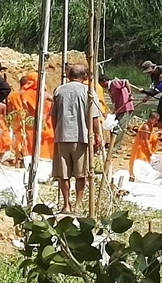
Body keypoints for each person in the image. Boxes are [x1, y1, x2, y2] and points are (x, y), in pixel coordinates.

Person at [51, 65, 101, 214]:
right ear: (84, 77)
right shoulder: (89, 92)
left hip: (62, 136)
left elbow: (53, 116)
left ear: (69, 76)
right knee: (81, 174)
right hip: (82, 137)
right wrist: (98, 135)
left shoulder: (59, 91)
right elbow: (94, 117)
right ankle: (77, 206)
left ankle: (66, 205)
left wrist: (57, 131)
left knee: (63, 174)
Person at [21, 71, 55, 159]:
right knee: (43, 143)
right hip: (44, 121)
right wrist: (48, 114)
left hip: (31, 122)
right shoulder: (45, 94)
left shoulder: (26, 94)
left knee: (32, 144)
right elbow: (55, 101)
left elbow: (24, 104)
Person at [99, 75, 135, 149]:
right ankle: (113, 144)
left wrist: (129, 94)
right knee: (114, 126)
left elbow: (126, 81)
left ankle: (115, 146)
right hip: (119, 109)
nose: (101, 86)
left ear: (104, 81)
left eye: (100, 83)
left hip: (125, 108)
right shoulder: (110, 88)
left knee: (121, 127)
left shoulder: (114, 83)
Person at [128, 111, 160, 181]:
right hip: (141, 149)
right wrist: (149, 152)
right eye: (155, 120)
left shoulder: (150, 126)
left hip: (146, 149)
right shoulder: (146, 127)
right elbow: (146, 141)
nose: (156, 122)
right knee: (140, 162)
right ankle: (134, 176)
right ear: (151, 119)